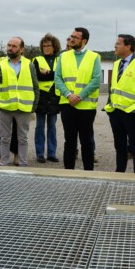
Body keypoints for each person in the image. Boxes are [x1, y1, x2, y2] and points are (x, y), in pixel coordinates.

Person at [104, 34, 135, 174]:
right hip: (116, 112)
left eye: (118, 44)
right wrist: (109, 106)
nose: (115, 46)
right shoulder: (117, 63)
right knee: (119, 146)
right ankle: (120, 172)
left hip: (132, 113)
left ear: (128, 46)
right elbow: (113, 88)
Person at [55, 27, 101, 170]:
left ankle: (88, 172)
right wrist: (69, 95)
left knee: (86, 141)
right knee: (69, 140)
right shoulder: (63, 56)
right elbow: (57, 78)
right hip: (67, 105)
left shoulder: (94, 57)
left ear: (84, 41)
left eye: (75, 37)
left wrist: (80, 96)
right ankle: (69, 171)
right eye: (71, 36)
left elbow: (96, 79)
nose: (72, 39)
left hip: (86, 107)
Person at [0, 37, 39, 166]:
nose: (10, 48)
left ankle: (23, 164)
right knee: (4, 138)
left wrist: (33, 106)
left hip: (23, 108)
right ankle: (3, 163)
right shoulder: (0, 65)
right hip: (4, 108)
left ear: (21, 49)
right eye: (9, 45)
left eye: (14, 46)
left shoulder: (29, 65)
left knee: (22, 139)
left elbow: (35, 87)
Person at [33, 33, 61, 163]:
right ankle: (39, 153)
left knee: (52, 126)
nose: (46, 48)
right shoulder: (37, 60)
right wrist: (52, 75)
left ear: (54, 46)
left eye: (49, 45)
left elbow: (61, 76)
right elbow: (38, 76)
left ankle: (51, 153)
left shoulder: (60, 59)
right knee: (39, 126)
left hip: (54, 97)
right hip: (41, 97)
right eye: (44, 46)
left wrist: (49, 73)